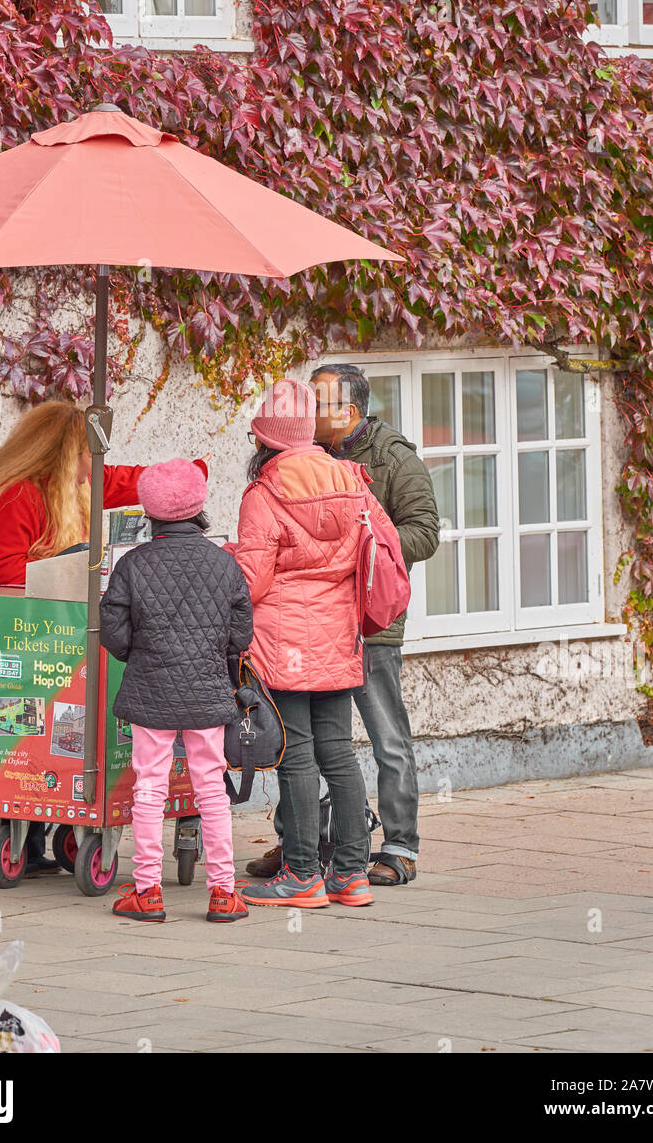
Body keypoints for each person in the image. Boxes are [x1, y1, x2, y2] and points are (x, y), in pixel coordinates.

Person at [246, 364, 440, 888]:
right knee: (317, 744)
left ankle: (398, 845)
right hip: (327, 624)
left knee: (384, 740)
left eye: (318, 402)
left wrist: (367, 551)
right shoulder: (316, 459)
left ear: (348, 413)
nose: (308, 409)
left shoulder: (393, 458)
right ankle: (303, 846)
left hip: (370, 625)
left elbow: (425, 532)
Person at [0, 401, 146, 877]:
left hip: (20, 642)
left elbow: (116, 482)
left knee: (27, 736)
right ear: (61, 453)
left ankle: (24, 844)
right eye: (86, 454)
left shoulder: (60, 489)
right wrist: (70, 567)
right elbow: (5, 569)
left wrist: (182, 476)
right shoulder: (18, 495)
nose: (93, 465)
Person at [230, 378, 394, 910]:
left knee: (296, 755)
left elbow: (251, 582)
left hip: (284, 643)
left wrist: (229, 557)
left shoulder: (265, 492)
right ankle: (351, 873)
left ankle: (302, 874)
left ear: (265, 438)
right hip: (338, 638)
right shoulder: (352, 479)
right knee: (339, 755)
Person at [100, 458, 253, 924]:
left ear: (150, 511)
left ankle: (147, 891)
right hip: (208, 692)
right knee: (211, 788)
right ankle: (224, 893)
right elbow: (241, 634)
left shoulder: (131, 564)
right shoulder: (223, 564)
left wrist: (139, 656)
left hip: (151, 692)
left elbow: (113, 629)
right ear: (198, 506)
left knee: (149, 787)